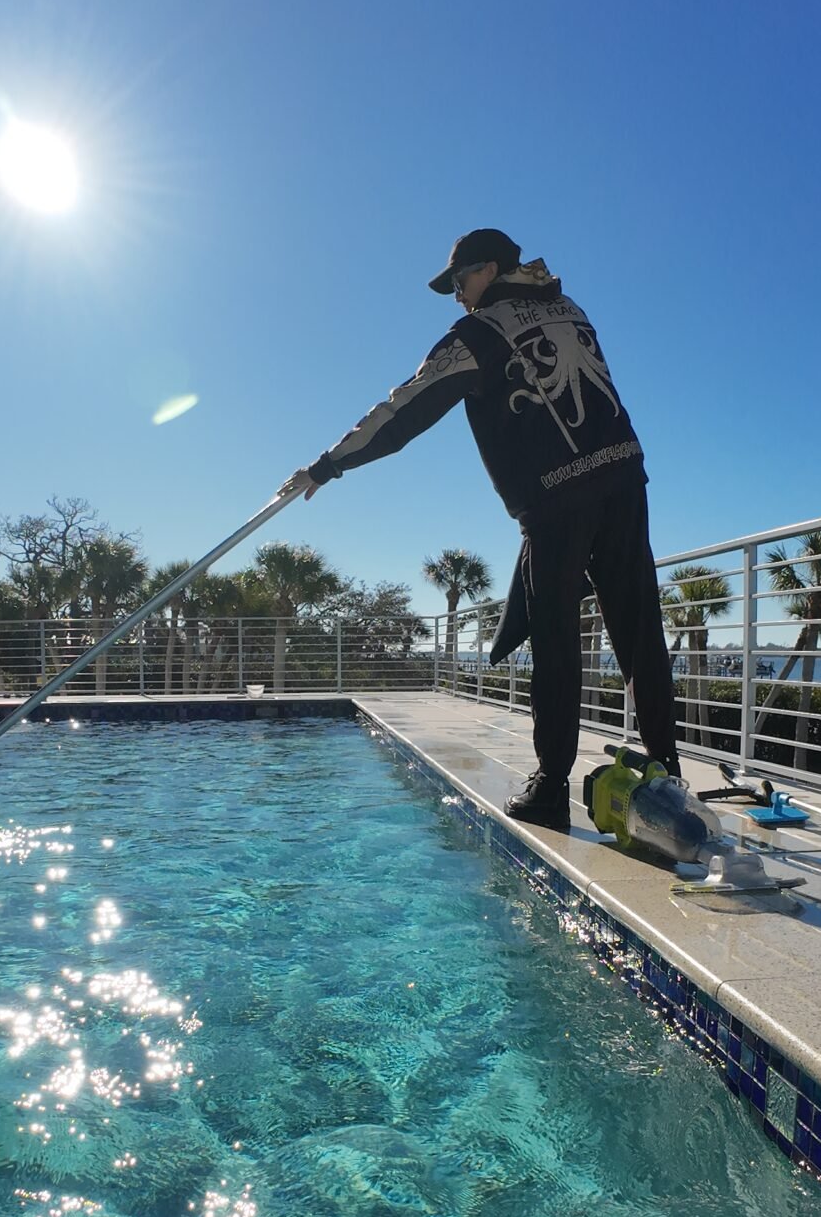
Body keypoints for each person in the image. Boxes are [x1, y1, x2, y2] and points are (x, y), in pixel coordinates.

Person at [285, 227, 680, 831]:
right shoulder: (569, 308)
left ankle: (551, 786)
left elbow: (405, 408)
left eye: (461, 282)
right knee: (638, 629)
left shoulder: (480, 332)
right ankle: (667, 773)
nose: (458, 297)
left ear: (488, 271)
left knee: (555, 641)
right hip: (625, 477)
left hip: (557, 499)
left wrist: (328, 464)